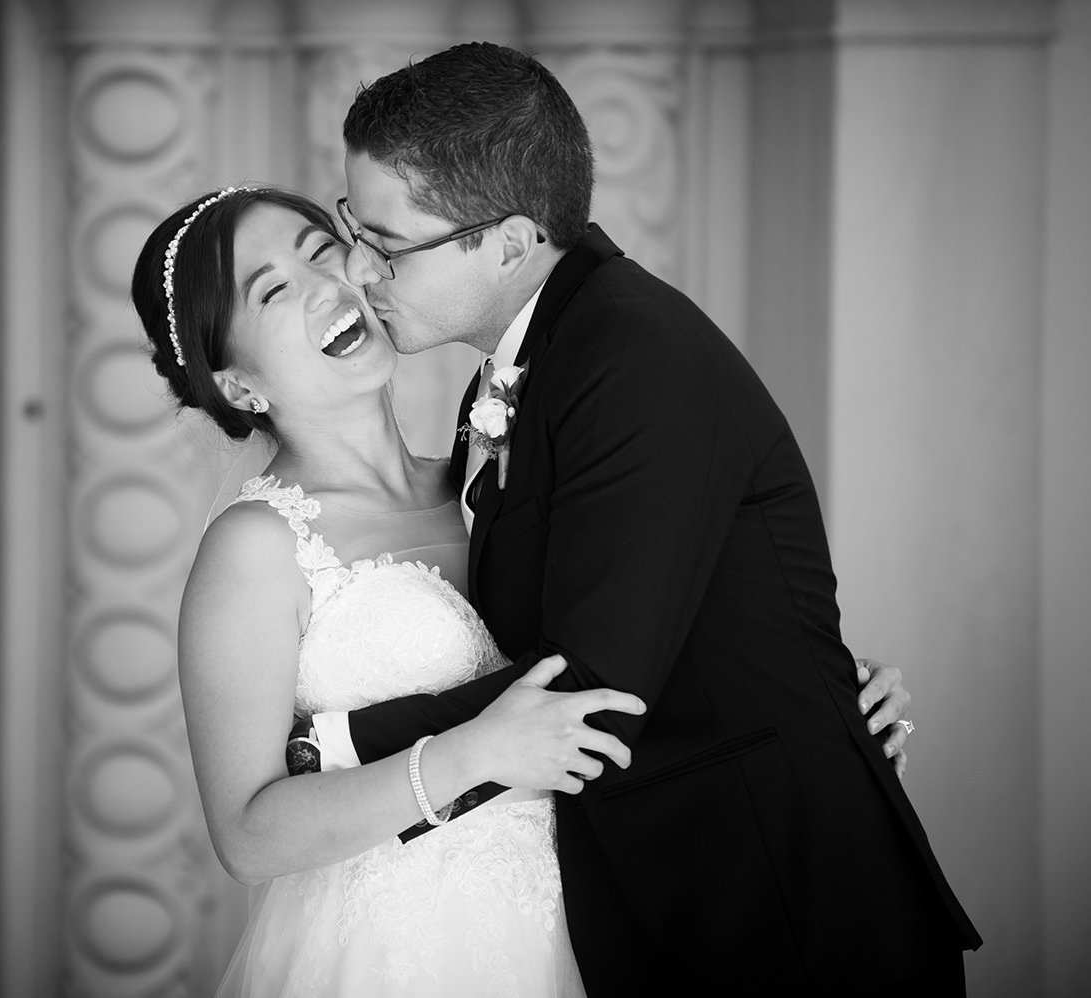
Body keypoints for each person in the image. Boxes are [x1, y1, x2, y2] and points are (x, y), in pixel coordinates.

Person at [296, 41, 981, 993]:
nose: (361, 271)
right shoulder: (522, 371)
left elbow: (594, 686)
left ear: (507, 241)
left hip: (783, 908)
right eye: (352, 228)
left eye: (389, 242)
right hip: (671, 891)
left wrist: (334, 745)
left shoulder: (634, 357)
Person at [131, 185, 918, 995]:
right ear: (237, 387)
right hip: (410, 943)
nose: (329, 283)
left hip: (596, 921)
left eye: (322, 248)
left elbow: (625, 635)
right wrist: (468, 755)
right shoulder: (256, 549)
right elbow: (249, 835)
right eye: (275, 288)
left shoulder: (491, 470)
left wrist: (811, 688)